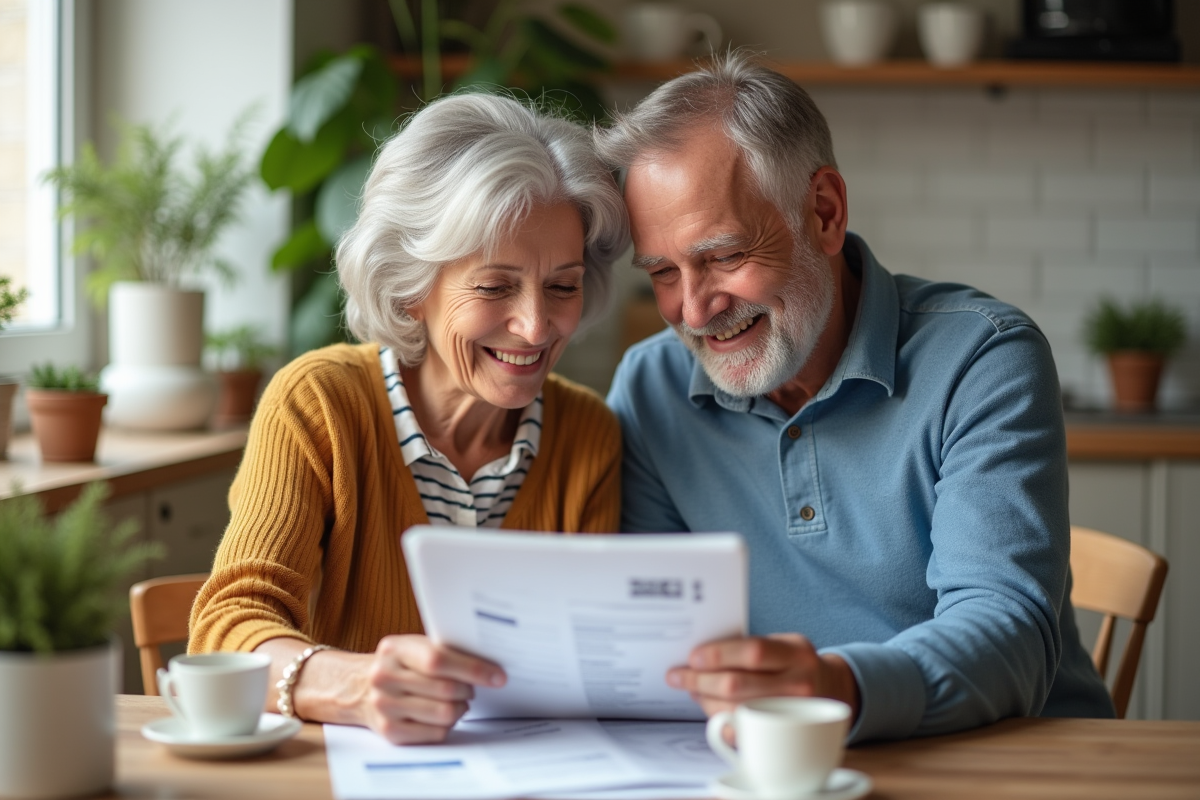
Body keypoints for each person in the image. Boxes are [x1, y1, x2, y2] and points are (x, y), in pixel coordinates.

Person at [595, 53, 1114, 743]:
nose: (693, 309)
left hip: (1010, 763)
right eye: (662, 271)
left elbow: (1009, 631)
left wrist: (837, 688)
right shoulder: (651, 388)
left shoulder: (982, 358)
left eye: (722, 256)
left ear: (825, 212)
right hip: (780, 769)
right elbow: (649, 640)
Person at [190, 93, 629, 744]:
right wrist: (354, 686)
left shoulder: (588, 434)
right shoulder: (320, 405)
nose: (537, 325)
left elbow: (595, 658)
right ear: (410, 284)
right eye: (495, 286)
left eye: (562, 285)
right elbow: (229, 620)